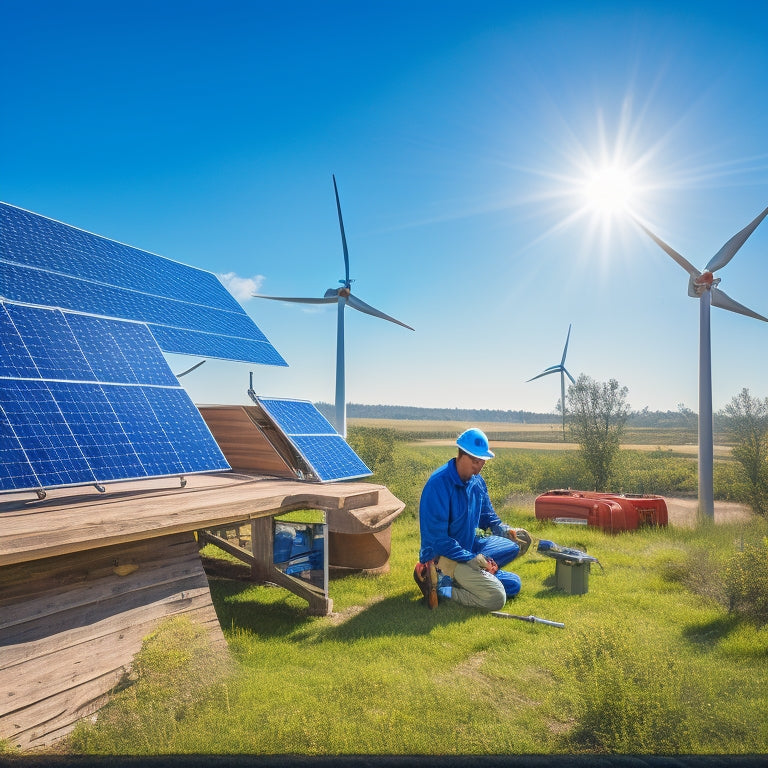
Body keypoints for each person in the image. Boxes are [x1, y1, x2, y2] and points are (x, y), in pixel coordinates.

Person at [413, 428, 532, 611]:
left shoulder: (477, 482)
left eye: (482, 460)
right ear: (462, 455)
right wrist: (471, 559)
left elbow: (487, 516)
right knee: (497, 596)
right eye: (475, 461)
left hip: (470, 546)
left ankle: (468, 579)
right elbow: (438, 540)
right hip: (445, 556)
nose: (480, 465)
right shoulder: (438, 485)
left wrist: (504, 530)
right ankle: (441, 586)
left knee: (514, 580)